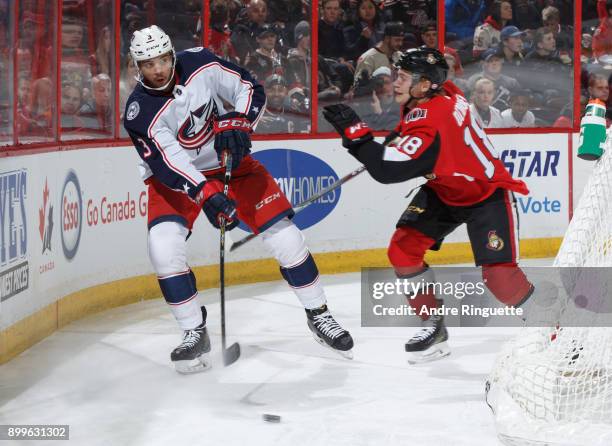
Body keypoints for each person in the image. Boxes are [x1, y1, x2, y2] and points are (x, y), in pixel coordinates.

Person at [123, 25, 353, 374]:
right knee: (163, 249)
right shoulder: (139, 112)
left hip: (232, 164)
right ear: (136, 66)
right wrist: (207, 194)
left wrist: (241, 123)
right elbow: (170, 162)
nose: (157, 70)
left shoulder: (200, 62)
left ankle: (319, 315)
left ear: (172, 54)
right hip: (176, 181)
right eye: (147, 64)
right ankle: (193, 331)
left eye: (162, 60)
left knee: (286, 236)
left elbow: (247, 86)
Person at [323, 47, 537, 363]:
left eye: (403, 77)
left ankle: (556, 329)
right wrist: (396, 137)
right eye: (397, 75)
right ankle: (433, 326)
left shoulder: (431, 119)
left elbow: (387, 170)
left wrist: (356, 137)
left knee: (501, 280)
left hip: (485, 193)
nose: (396, 82)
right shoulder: (441, 93)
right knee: (403, 251)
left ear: (424, 85)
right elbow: (411, 133)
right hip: (445, 188)